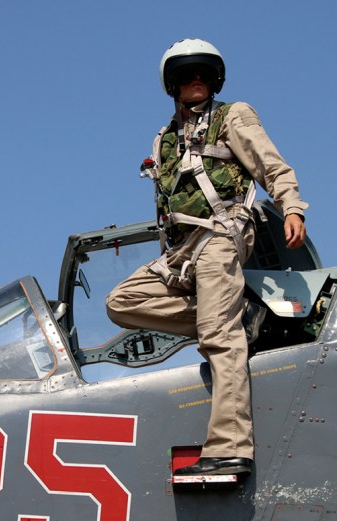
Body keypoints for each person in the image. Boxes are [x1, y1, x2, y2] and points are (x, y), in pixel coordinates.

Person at [105, 38, 309, 477]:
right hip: (180, 251)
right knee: (121, 302)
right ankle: (241, 315)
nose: (195, 80)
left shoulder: (232, 116)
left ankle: (231, 446)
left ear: (214, 80)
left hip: (221, 235)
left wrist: (291, 205)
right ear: (172, 84)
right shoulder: (164, 139)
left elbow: (270, 164)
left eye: (202, 73)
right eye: (185, 75)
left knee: (219, 337)